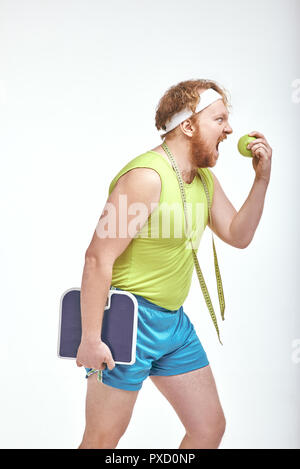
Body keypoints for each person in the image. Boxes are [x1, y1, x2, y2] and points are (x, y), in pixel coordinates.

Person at [76, 79, 272, 449]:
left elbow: (237, 234)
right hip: (126, 324)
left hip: (173, 325)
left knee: (208, 427)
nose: (230, 129)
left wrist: (261, 180)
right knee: (101, 440)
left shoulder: (204, 181)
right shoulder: (145, 179)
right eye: (219, 119)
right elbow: (97, 258)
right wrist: (90, 339)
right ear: (188, 125)